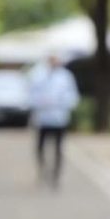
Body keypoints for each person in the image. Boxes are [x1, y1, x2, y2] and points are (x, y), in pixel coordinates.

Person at [28, 54, 80, 188]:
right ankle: (42, 169)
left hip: (59, 118)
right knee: (40, 147)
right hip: (43, 118)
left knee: (58, 148)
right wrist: (41, 102)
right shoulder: (38, 75)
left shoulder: (66, 77)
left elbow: (72, 96)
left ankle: (56, 174)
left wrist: (59, 102)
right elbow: (31, 94)